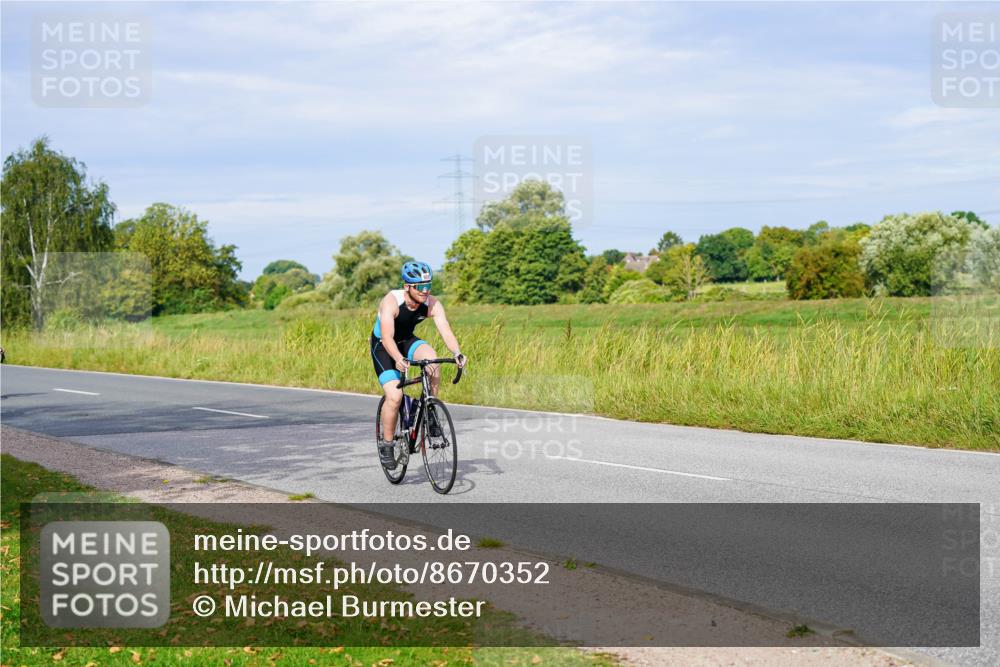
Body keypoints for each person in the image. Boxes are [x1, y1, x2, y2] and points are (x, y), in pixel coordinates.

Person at [371, 261, 466, 469]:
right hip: (383, 346)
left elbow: (445, 330)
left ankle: (430, 411)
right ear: (407, 286)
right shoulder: (391, 301)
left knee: (433, 362)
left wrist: (457, 352)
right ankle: (387, 444)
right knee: (395, 397)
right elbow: (387, 338)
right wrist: (397, 358)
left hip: (407, 340)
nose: (425, 291)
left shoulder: (432, 303)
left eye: (428, 286)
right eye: (420, 287)